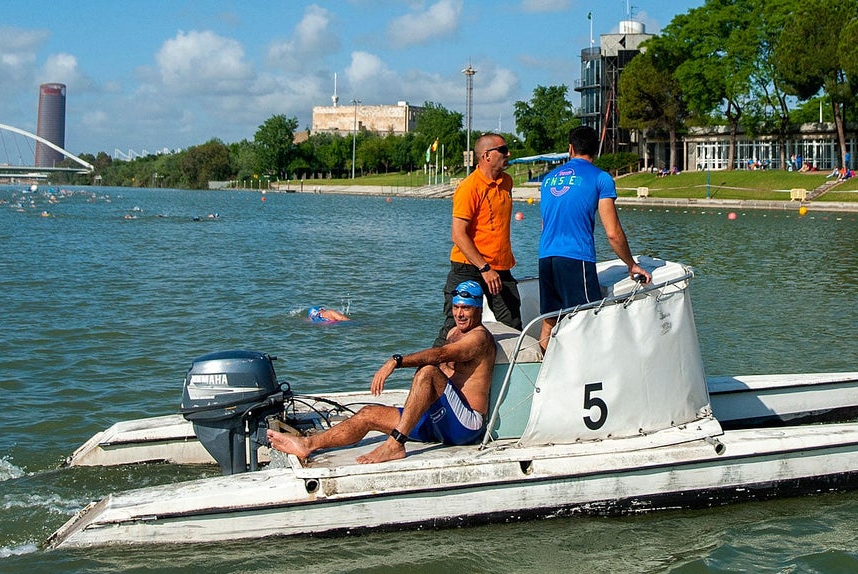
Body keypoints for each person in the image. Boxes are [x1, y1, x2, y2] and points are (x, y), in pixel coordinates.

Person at [269, 281, 496, 464]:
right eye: (456, 307)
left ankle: (395, 444)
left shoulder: (479, 338)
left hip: (465, 426)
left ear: (478, 309)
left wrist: (395, 361)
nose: (460, 314)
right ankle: (307, 445)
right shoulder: (455, 331)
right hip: (441, 421)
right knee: (369, 414)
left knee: (427, 371)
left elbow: (440, 355)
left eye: (466, 308)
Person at [537, 125, 652, 353]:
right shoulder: (601, 178)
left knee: (549, 322)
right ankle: (584, 377)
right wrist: (631, 264)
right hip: (575, 258)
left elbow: (544, 224)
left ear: (570, 148)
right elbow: (613, 232)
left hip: (546, 256)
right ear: (596, 150)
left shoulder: (548, 179)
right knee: (587, 321)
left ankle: (543, 372)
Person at [433, 133, 521, 347]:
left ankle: (513, 373)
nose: (508, 153)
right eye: (503, 150)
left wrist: (492, 269)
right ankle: (430, 373)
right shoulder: (469, 187)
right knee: (454, 325)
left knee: (513, 323)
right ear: (486, 156)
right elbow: (458, 234)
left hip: (500, 267)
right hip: (469, 266)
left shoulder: (506, 182)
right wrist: (484, 268)